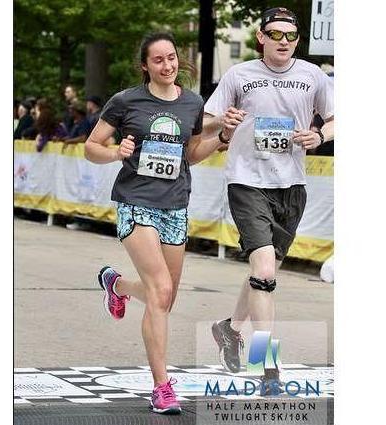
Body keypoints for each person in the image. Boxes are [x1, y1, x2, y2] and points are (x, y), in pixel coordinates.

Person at [84, 32, 236, 414]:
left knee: (163, 297)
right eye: (158, 60)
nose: (167, 66)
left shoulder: (192, 103)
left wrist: (221, 139)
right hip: (136, 203)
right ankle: (161, 386)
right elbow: (90, 147)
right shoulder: (126, 101)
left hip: (175, 205)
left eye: (171, 59)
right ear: (145, 66)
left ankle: (115, 284)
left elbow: (191, 155)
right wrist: (114, 152)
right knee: (160, 290)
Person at [203, 7, 334, 392]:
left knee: (265, 273)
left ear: (297, 40)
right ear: (261, 37)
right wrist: (222, 122)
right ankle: (268, 367)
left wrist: (321, 136)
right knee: (264, 271)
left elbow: (335, 117)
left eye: (290, 36)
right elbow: (207, 119)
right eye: (275, 35)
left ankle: (230, 329)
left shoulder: (313, 75)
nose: (283, 42)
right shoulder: (239, 74)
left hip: (291, 186)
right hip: (246, 181)